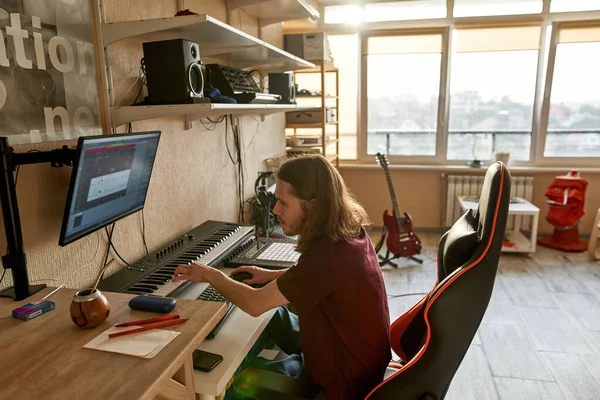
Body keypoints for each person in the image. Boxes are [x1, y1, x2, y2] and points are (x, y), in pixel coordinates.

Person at [173, 154, 391, 400]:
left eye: (283, 203)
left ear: (312, 206)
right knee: (275, 314)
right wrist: (272, 275)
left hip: (339, 387)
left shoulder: (327, 257)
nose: (276, 210)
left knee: (237, 389)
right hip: (353, 364)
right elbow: (325, 279)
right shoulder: (348, 233)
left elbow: (255, 305)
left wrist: (212, 275)